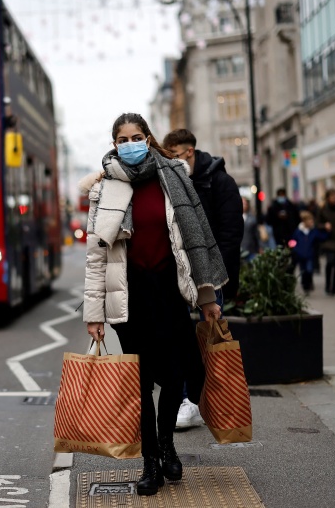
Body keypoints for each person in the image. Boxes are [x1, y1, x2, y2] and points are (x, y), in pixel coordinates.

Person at [81, 113, 227, 497]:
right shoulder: (105, 189)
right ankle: (150, 461)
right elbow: (96, 257)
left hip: (170, 291)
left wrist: (209, 298)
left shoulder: (174, 176)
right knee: (142, 384)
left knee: (175, 376)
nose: (130, 143)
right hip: (131, 298)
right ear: (115, 144)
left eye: (136, 136)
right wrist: (94, 315)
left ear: (148, 138)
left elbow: (197, 239)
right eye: (122, 138)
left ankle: (167, 446)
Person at [161, 128, 243, 430]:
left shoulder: (220, 182)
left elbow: (231, 234)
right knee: (182, 339)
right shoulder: (174, 182)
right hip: (181, 274)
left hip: (211, 275)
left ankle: (215, 399)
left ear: (189, 152)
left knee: (211, 339)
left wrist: (224, 277)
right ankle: (189, 400)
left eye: (174, 155)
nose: (172, 161)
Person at [290, 211, 327, 294]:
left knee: (309, 270)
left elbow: (321, 237)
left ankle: (309, 283)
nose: (311, 223)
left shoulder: (313, 231)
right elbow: (293, 240)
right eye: (310, 221)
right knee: (303, 271)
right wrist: (294, 248)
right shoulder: (298, 231)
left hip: (309, 254)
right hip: (300, 254)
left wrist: (327, 231)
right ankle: (305, 286)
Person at [240, 197, 260, 262]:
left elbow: (256, 234)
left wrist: (259, 247)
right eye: (242, 203)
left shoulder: (252, 219)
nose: (244, 205)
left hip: (250, 248)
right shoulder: (234, 217)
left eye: (245, 203)